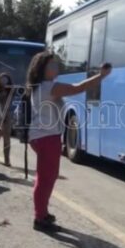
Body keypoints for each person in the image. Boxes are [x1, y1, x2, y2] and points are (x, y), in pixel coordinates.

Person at [26, 53, 111, 231]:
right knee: (45, 178)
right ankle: (39, 218)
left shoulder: (41, 86)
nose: (56, 68)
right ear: (43, 69)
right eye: (52, 65)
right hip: (46, 137)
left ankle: (42, 213)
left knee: (47, 176)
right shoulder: (49, 86)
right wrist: (101, 76)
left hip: (45, 136)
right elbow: (78, 88)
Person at [0, 73, 14, 166]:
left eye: (6, 80)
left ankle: (7, 159)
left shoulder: (10, 90)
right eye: (2, 79)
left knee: (7, 138)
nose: (4, 81)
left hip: (7, 116)